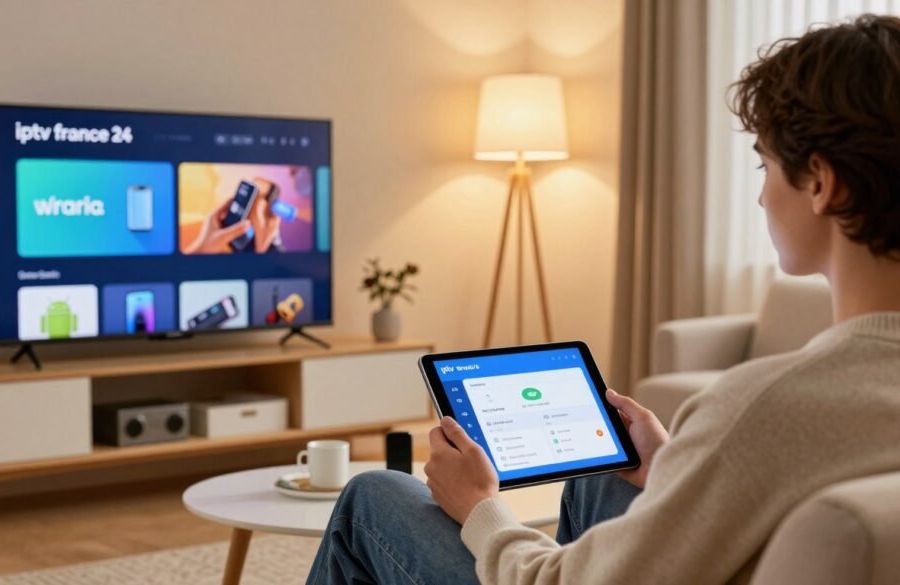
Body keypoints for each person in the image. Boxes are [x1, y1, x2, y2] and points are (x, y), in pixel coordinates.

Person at [306, 13, 900, 585]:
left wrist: (481, 507)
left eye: (764, 165)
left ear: (821, 183)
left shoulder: (763, 409)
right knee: (603, 476)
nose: (763, 198)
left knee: (374, 496)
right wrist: (676, 467)